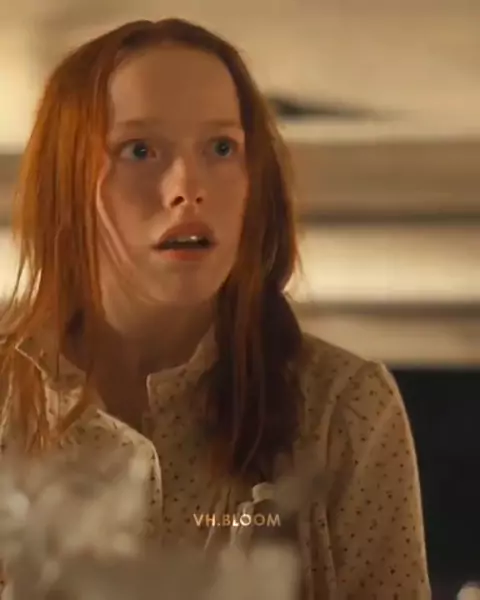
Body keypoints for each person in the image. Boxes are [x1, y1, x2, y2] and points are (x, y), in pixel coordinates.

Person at [0, 18, 430, 598]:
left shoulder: (344, 408)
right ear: (67, 183)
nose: (188, 186)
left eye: (221, 148)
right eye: (140, 150)